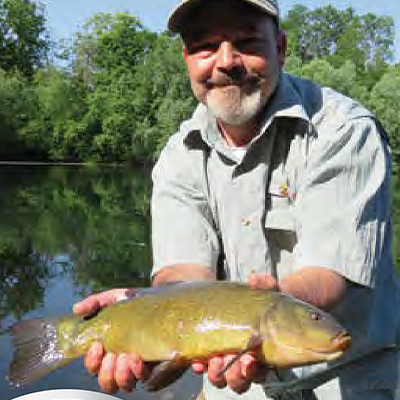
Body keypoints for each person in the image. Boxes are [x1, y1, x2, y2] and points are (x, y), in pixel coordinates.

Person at [73, 0, 400, 398]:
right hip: (229, 377)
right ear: (187, 59)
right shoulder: (179, 156)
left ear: (280, 47)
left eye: (246, 41)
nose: (226, 61)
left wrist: (266, 310)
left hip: (348, 377)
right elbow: (183, 275)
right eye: (205, 46)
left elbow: (330, 275)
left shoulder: (343, 131)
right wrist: (144, 306)